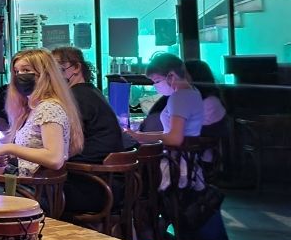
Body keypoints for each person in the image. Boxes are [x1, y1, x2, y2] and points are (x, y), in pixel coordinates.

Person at [0, 49, 83, 195]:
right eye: (16, 72)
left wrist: (10, 148)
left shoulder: (49, 107)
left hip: (31, 191)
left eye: (26, 70)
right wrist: (9, 158)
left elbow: (55, 159)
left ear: (45, 74)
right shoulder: (31, 109)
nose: (20, 76)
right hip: (20, 184)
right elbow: (33, 151)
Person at [52, 47, 129, 212]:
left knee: (35, 194)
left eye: (58, 66)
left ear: (77, 68)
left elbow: (66, 145)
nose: (54, 73)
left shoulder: (76, 97)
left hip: (92, 184)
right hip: (112, 183)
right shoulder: (92, 92)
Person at [127, 52, 205, 191]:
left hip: (173, 165)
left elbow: (174, 138)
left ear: (171, 76)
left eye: (157, 81)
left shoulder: (179, 97)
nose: (156, 86)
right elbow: (173, 132)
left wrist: (139, 136)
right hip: (187, 162)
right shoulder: (194, 92)